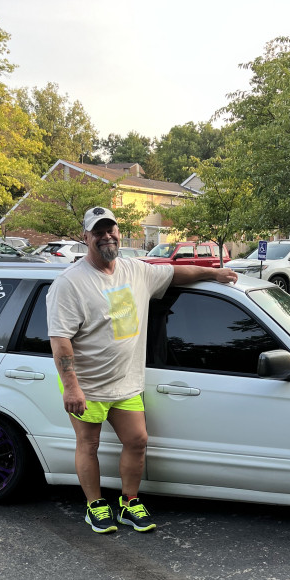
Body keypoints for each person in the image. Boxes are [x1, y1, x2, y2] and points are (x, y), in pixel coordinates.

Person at [46, 206, 237, 534]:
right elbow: (60, 341)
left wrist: (213, 274)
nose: (107, 236)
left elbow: (175, 272)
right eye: (98, 231)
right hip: (87, 385)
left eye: (112, 229)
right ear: (86, 237)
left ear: (119, 233)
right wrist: (72, 386)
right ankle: (94, 506)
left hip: (126, 382)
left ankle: (129, 502)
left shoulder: (135, 270)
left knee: (137, 440)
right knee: (88, 445)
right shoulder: (69, 284)